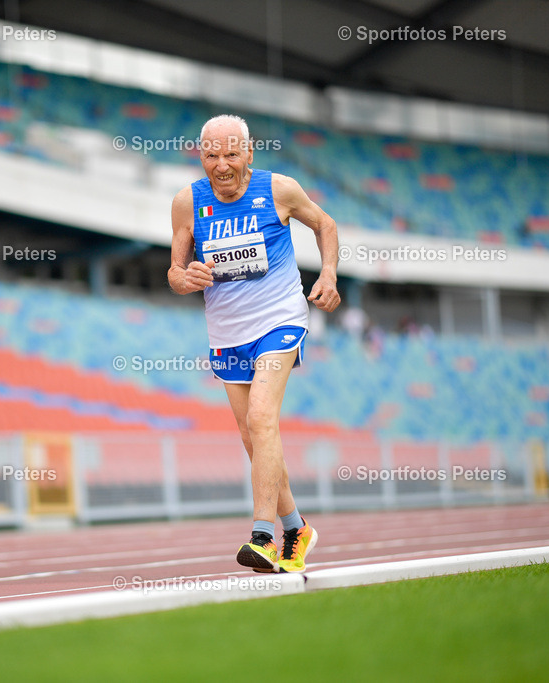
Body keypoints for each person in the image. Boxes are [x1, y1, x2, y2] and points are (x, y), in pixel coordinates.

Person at [168, 114, 341, 573]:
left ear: (249, 152)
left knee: (263, 418)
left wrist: (327, 273)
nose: (221, 165)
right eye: (211, 155)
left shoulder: (280, 189)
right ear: (200, 156)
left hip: (279, 320)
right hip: (226, 333)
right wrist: (185, 279)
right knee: (253, 437)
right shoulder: (187, 202)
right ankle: (297, 527)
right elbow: (174, 269)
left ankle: (262, 536)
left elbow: (324, 223)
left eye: (230, 154)